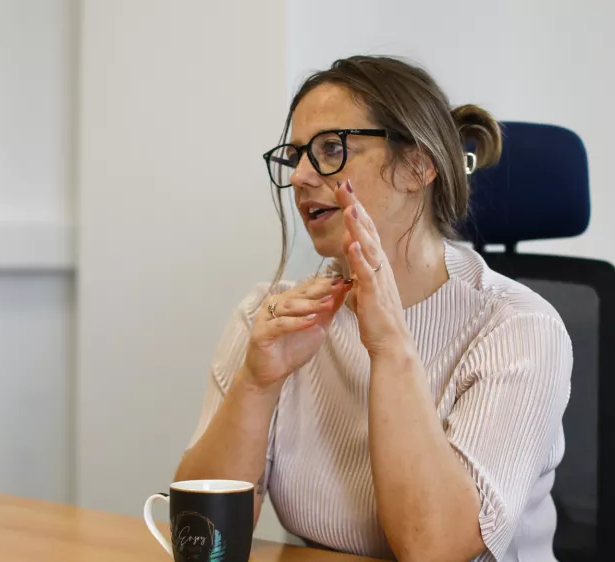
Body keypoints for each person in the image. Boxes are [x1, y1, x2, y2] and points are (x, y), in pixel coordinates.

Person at [174, 55, 572, 562]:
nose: (298, 176)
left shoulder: (518, 329)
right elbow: (203, 541)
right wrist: (257, 382)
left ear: (418, 165)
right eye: (295, 155)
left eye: (330, 149)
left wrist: (389, 346)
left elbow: (436, 549)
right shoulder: (268, 318)